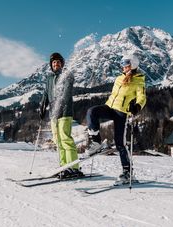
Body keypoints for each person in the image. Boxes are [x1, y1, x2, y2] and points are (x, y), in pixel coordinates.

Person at [85, 54, 146, 182]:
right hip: (110, 107)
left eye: (126, 63)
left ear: (132, 65)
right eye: (123, 63)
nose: (123, 66)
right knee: (92, 112)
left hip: (121, 113)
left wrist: (136, 107)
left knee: (120, 144)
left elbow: (142, 98)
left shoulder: (139, 80)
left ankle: (127, 172)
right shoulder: (119, 78)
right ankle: (96, 142)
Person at [39, 52, 84, 179]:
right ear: (51, 65)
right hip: (53, 113)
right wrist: (42, 106)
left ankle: (73, 167)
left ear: (62, 64)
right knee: (57, 140)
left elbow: (67, 92)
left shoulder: (67, 75)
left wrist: (60, 104)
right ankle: (64, 166)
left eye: (58, 62)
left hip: (64, 112)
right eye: (53, 62)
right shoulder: (49, 78)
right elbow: (46, 93)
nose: (56, 64)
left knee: (65, 139)